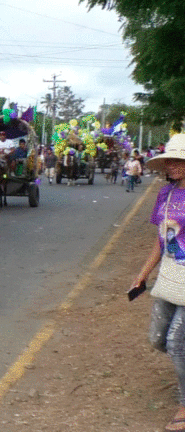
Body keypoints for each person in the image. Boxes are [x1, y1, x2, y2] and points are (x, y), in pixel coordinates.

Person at [129, 134, 185, 432]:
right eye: (170, 160)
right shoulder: (165, 194)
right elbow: (160, 240)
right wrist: (143, 273)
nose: (173, 165)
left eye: (180, 160)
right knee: (158, 339)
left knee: (177, 341)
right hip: (169, 274)